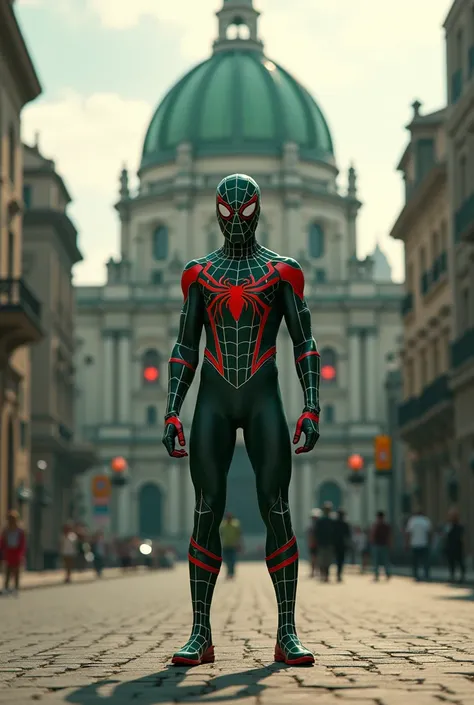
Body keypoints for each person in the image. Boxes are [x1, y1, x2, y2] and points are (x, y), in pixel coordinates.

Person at [162, 174, 321, 667]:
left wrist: (312, 405)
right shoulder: (198, 274)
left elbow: (305, 342)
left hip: (262, 398)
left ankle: (287, 631)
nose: (235, 222)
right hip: (213, 399)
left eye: (244, 212)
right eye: (226, 212)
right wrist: (172, 409)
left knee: (277, 508)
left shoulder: (282, 272)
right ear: (214, 211)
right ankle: (200, 633)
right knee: (206, 510)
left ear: (258, 210)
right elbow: (186, 345)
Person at [0, 510, 26, 595]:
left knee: (16, 570)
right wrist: (2, 550)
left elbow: (22, 542)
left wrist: (21, 553)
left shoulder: (20, 530)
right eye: (10, 519)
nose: (11, 521)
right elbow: (2, 541)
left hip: (17, 551)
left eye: (13, 519)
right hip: (8, 551)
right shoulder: (6, 530)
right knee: (7, 570)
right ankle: (6, 587)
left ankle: (16, 587)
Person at [405, 508, 432, 581]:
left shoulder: (412, 521)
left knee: (415, 561)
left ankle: (416, 575)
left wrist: (407, 543)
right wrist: (430, 542)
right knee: (425, 561)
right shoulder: (425, 521)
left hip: (415, 543)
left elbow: (408, 533)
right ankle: (426, 575)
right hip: (424, 543)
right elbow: (429, 533)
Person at [444, 509, 465, 583]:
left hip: (457, 547)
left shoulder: (459, 526)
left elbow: (460, 536)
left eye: (452, 516)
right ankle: (452, 576)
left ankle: (462, 577)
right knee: (451, 563)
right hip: (450, 547)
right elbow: (446, 534)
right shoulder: (448, 525)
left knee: (460, 562)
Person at [316, 502, 334, 583]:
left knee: (324, 561)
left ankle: (324, 575)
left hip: (325, 543)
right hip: (326, 543)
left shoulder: (321, 521)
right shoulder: (331, 521)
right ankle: (325, 575)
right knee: (325, 561)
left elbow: (316, 532)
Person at [370, 511, 391, 581]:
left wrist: (372, 542)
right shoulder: (385, 525)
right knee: (384, 561)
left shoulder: (377, 525)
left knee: (377, 561)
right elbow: (389, 536)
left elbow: (372, 535)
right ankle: (385, 574)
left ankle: (378, 575)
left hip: (378, 545)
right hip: (382, 545)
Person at [220, 513, 242, 579]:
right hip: (225, 545)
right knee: (226, 560)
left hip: (233, 545)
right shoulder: (223, 525)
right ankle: (229, 572)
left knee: (232, 560)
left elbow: (239, 534)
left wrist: (239, 544)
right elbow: (221, 534)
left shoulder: (235, 525)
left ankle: (231, 573)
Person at [333, 509, 351, 582]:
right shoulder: (345, 524)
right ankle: (339, 574)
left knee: (337, 559)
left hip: (336, 544)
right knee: (341, 560)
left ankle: (338, 574)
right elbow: (348, 535)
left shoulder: (334, 523)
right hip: (342, 545)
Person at [307, 509, 321, 578]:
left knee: (316, 559)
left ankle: (315, 572)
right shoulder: (312, 526)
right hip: (314, 544)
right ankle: (313, 572)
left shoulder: (316, 525)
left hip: (316, 544)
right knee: (314, 559)